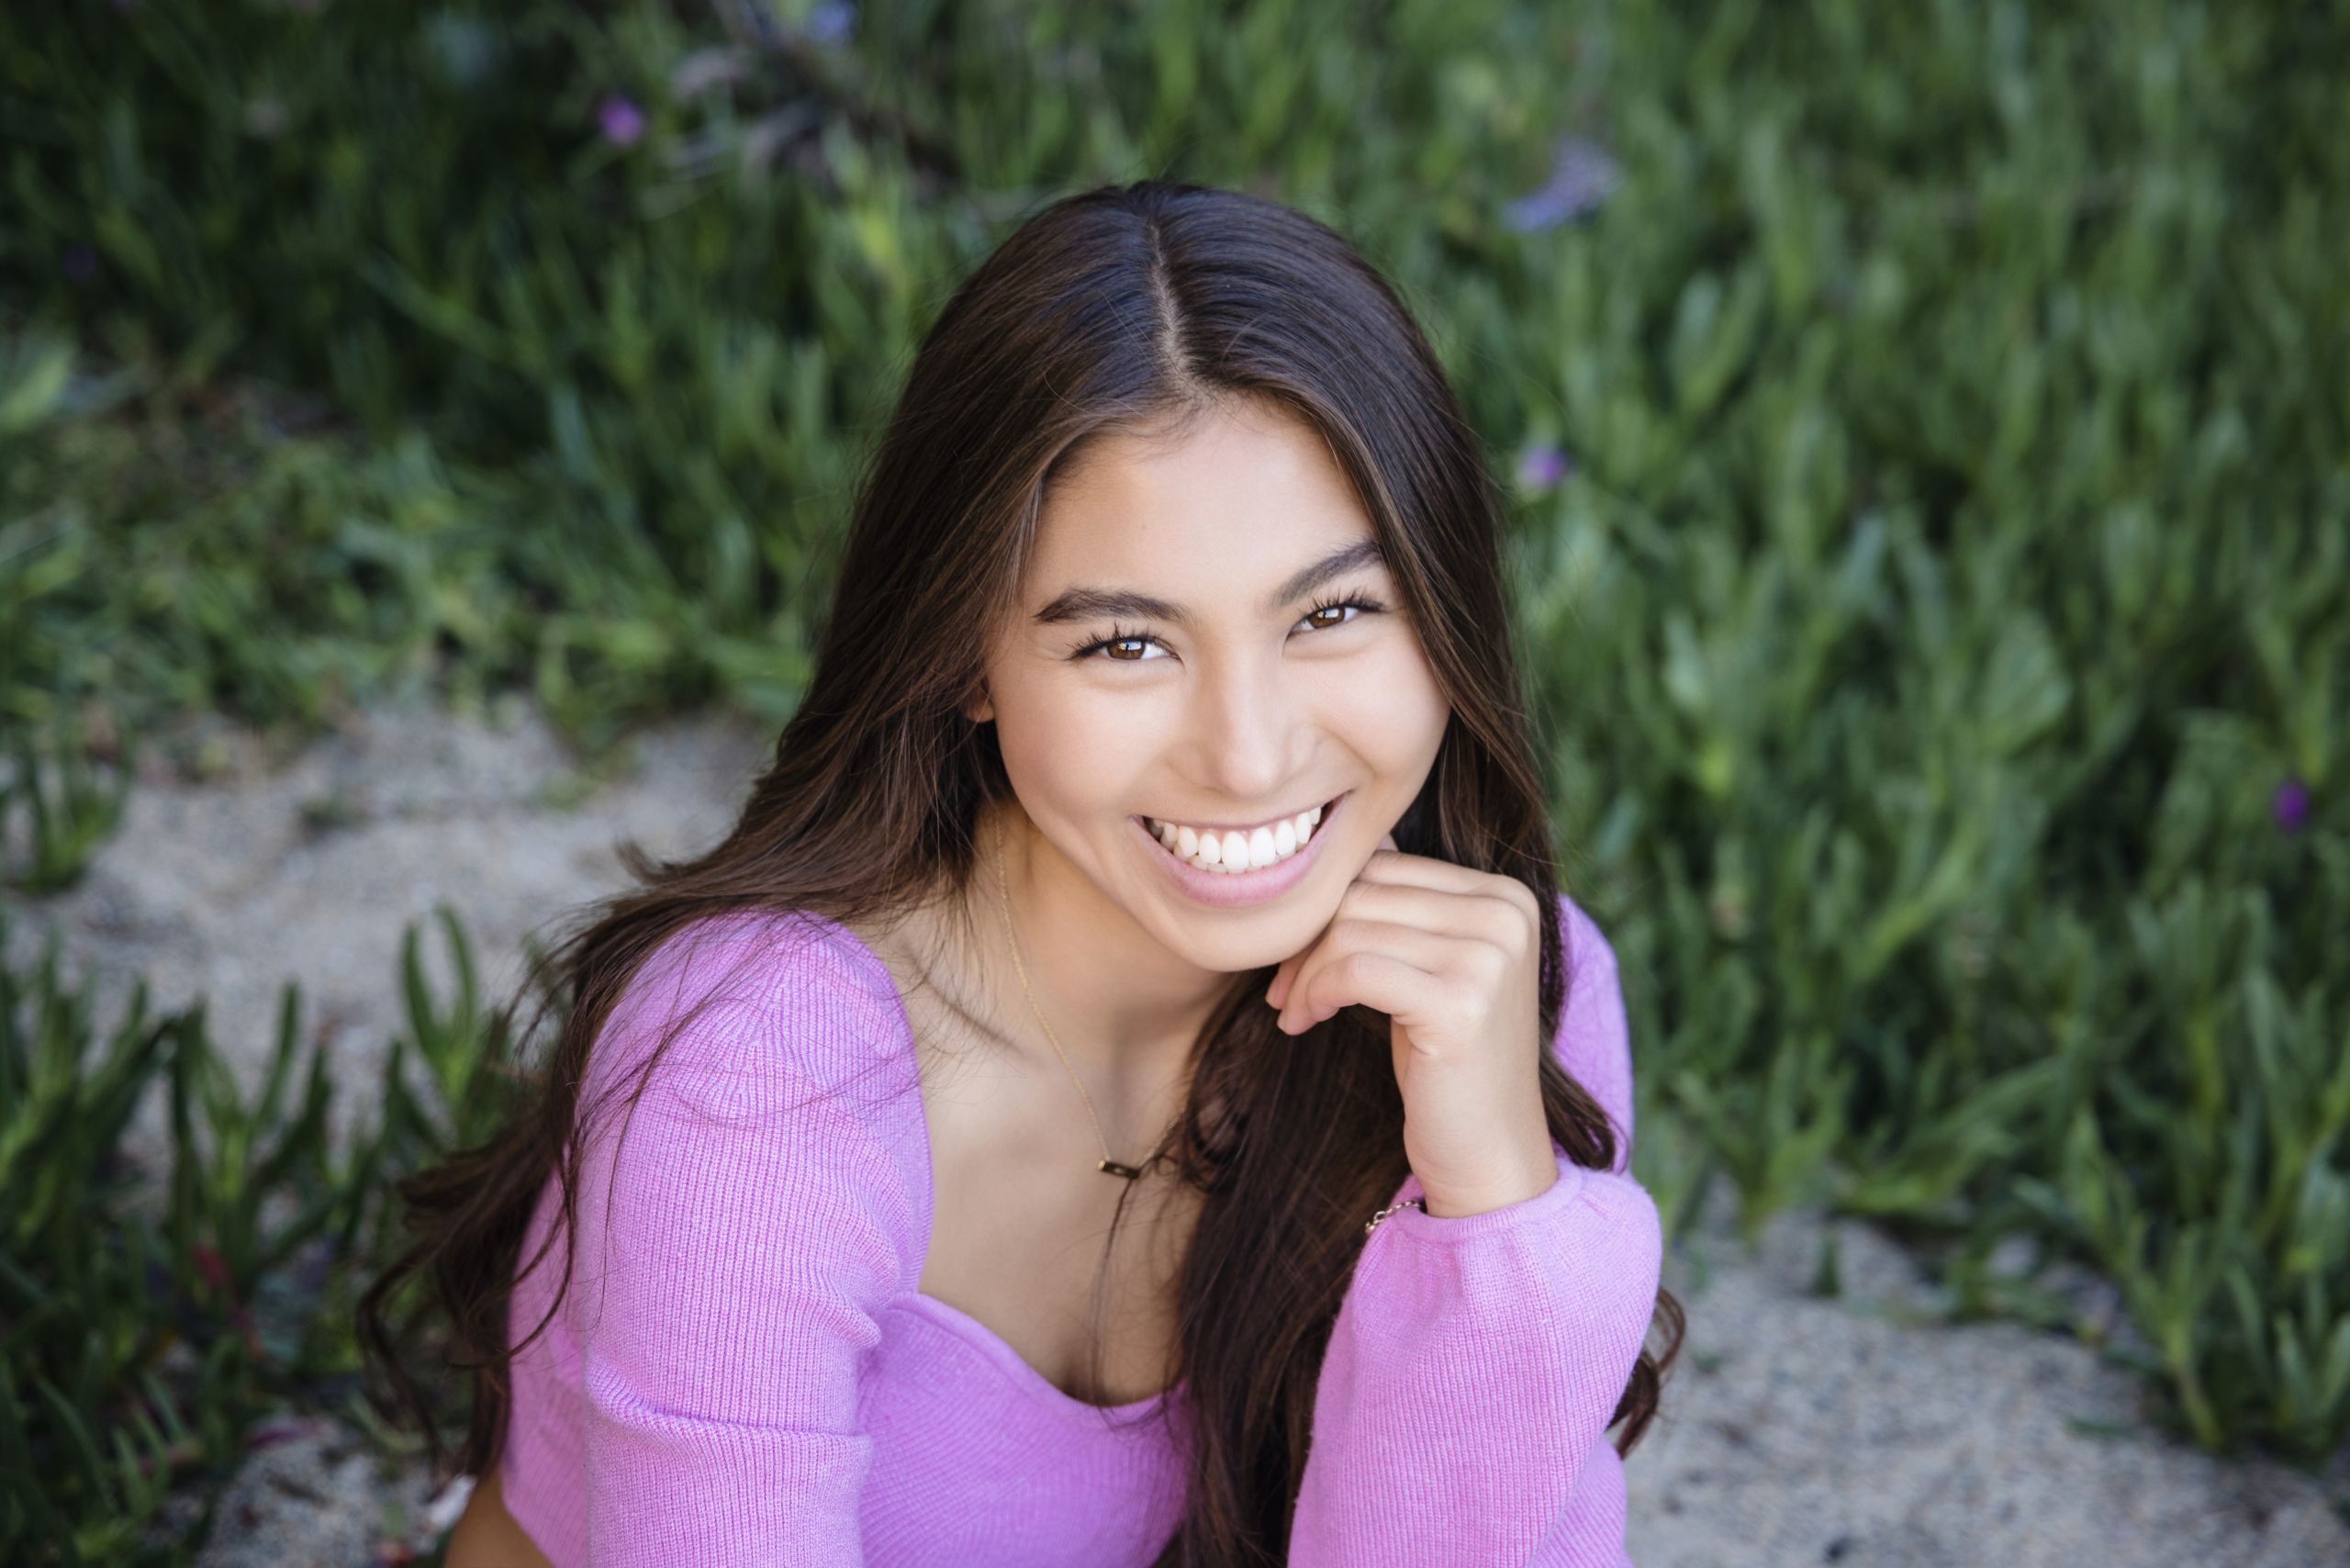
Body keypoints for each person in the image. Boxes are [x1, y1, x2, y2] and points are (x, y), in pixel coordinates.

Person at [364, 180, 1678, 1568]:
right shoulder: (758, 1075)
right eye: (1126, 642)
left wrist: (1491, 1211)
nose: (1248, 755)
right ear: (967, 660)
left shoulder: (1490, 997)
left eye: (1335, 612)